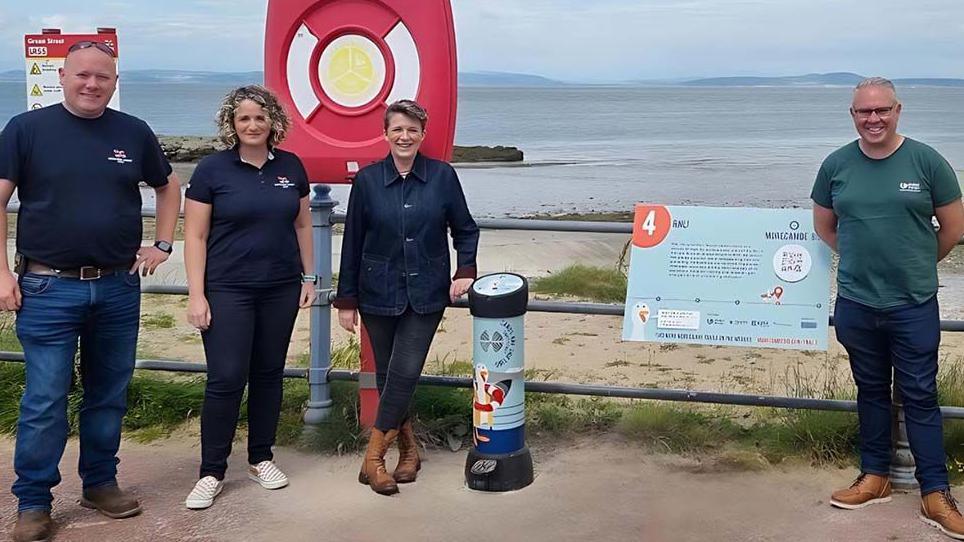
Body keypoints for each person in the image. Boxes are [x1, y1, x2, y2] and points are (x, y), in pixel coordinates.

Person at [0, 40, 181, 541]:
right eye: (82, 74)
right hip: (46, 287)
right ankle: (34, 503)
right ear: (62, 76)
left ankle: (100, 483)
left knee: (108, 394)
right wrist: (1, 273)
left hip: (118, 287)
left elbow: (168, 187)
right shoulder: (27, 129)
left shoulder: (133, 132)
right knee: (44, 398)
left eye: (102, 76)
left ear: (114, 82)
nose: (91, 84)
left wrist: (162, 243)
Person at [812, 77, 964, 539]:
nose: (873, 119)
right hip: (857, 302)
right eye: (864, 112)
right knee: (871, 390)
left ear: (898, 110)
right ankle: (874, 477)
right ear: (853, 115)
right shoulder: (836, 164)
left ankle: (935, 492)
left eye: (882, 110)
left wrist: (912, 265)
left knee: (920, 395)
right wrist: (863, 262)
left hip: (913, 303)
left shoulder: (926, 160)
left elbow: (952, 228)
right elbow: (825, 226)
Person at [333, 99, 479, 496]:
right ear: (385, 134)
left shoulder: (442, 177)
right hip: (376, 290)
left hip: (428, 292)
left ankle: (373, 458)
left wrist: (465, 271)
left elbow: (465, 229)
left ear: (423, 134)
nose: (405, 136)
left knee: (404, 371)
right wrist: (346, 300)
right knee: (387, 377)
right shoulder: (366, 182)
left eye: (413, 129)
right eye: (397, 129)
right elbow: (352, 243)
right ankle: (410, 452)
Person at [182, 85, 316, 510]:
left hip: (279, 287)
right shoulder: (211, 171)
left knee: (268, 374)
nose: (253, 125)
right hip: (227, 289)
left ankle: (261, 458)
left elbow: (303, 226)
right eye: (244, 118)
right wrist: (196, 295)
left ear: (273, 122)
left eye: (260, 117)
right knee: (225, 378)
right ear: (231, 124)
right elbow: (195, 235)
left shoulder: (291, 166)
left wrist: (309, 277)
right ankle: (211, 471)